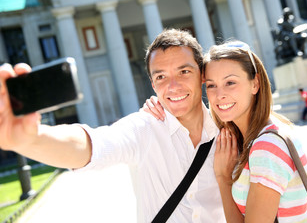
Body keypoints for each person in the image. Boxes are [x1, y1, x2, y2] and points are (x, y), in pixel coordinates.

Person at [0, 29, 226, 222]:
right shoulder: (144, 128)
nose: (173, 86)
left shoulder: (229, 131)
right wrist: (32, 138)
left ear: (202, 75)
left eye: (184, 72)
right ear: (152, 84)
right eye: (161, 77)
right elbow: (93, 146)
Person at [145, 41, 307, 222]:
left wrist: (223, 178)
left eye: (230, 82)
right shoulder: (257, 133)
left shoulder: (267, 148)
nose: (219, 94)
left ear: (255, 83)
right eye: (211, 85)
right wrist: (163, 103)